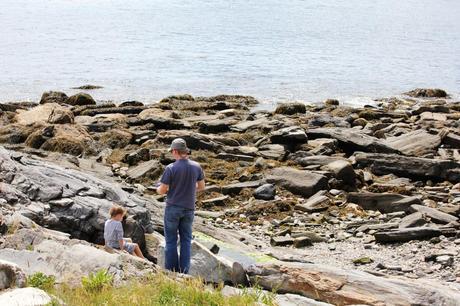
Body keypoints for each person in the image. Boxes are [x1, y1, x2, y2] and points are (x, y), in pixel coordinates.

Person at [157, 138, 205, 274]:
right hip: (189, 208)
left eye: (172, 151)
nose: (172, 153)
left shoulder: (171, 168)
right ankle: (184, 272)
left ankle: (172, 272)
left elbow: (162, 190)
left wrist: (157, 188)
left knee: (171, 241)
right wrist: (189, 185)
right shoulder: (196, 166)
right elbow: (201, 187)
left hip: (173, 207)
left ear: (176, 151)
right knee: (186, 241)